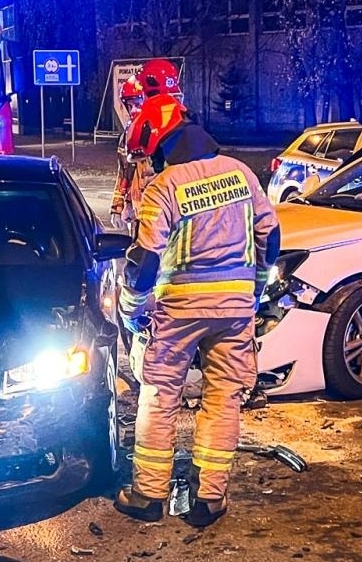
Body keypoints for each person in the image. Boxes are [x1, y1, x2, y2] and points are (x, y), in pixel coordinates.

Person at [115, 94, 279, 529]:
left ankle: (149, 495)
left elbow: (144, 261)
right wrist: (256, 291)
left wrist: (131, 310)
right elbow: (271, 235)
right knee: (224, 397)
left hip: (179, 310)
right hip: (235, 308)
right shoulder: (241, 173)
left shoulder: (163, 188)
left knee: (159, 394)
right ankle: (209, 498)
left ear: (160, 142)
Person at [109, 75, 147, 230]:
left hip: (157, 213)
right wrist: (117, 207)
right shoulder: (128, 134)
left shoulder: (161, 134)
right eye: (130, 106)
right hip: (137, 214)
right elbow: (124, 172)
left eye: (137, 104)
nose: (133, 110)